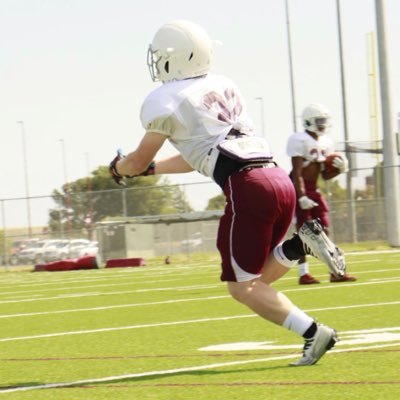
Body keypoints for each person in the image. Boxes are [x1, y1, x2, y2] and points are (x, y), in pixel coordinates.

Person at [109, 20, 346, 366]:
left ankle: (314, 333)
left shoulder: (165, 99)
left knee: (242, 288)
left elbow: (138, 157)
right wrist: (152, 170)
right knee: (256, 280)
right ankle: (299, 246)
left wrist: (120, 169)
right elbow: (196, 158)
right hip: (276, 178)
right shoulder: (221, 84)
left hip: (248, 188)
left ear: (174, 57)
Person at [286, 103, 357, 285]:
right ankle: (303, 274)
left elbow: (325, 174)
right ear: (309, 121)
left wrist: (340, 169)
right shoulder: (299, 139)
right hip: (298, 186)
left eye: (324, 120)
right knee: (305, 232)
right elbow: (297, 172)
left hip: (314, 189)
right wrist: (301, 196)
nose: (323, 124)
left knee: (324, 228)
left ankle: (336, 272)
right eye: (319, 120)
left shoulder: (326, 142)